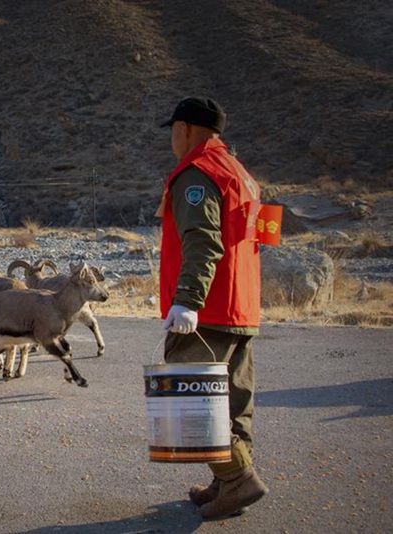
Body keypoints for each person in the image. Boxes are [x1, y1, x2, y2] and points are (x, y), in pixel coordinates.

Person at [156, 96, 268, 520]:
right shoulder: (239, 173)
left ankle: (238, 480)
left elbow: (202, 240)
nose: (172, 138)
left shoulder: (197, 173)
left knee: (192, 402)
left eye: (172, 130)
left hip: (208, 310)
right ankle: (226, 485)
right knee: (232, 404)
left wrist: (187, 301)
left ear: (183, 129)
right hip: (241, 308)